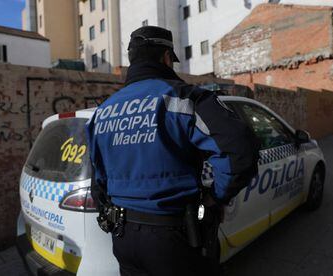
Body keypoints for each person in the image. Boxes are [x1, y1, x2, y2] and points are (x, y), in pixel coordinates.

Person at [85, 26, 259, 276]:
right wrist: (215, 197)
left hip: (122, 237)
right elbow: (240, 150)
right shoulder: (183, 98)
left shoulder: (102, 112)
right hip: (173, 238)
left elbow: (97, 179)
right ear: (166, 58)